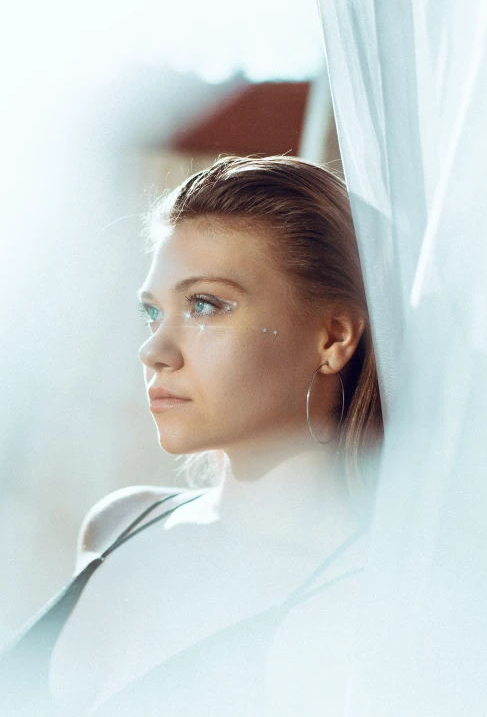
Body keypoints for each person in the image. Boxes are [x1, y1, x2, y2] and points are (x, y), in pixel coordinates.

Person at [0, 154, 383, 716]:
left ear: (334, 336)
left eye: (205, 305)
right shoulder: (119, 525)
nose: (153, 350)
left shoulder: (361, 604)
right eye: (153, 312)